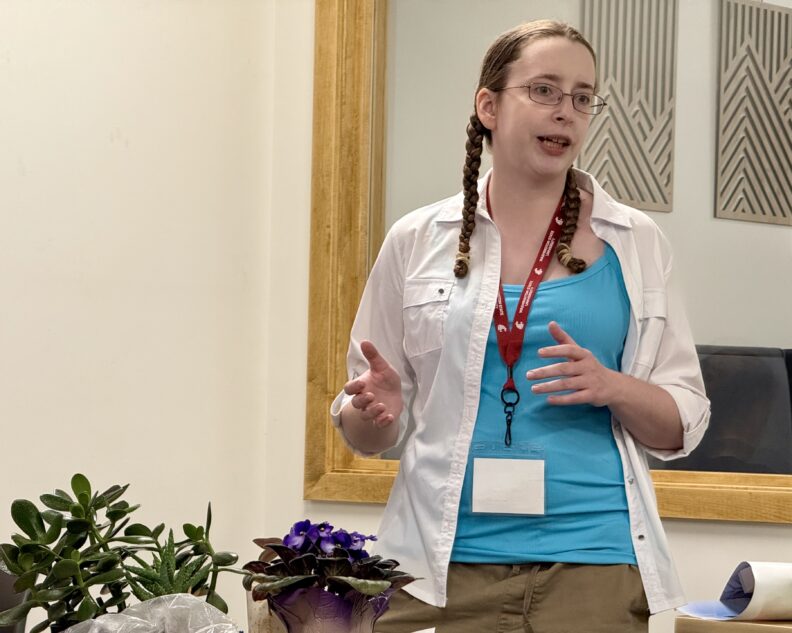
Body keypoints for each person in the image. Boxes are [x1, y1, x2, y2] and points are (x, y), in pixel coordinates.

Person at [330, 19, 710, 633]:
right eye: (544, 90)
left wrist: (612, 386)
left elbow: (683, 422)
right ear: (489, 106)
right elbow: (366, 434)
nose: (565, 112)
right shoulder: (417, 239)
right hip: (438, 567)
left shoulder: (636, 242)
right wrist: (376, 413)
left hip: (592, 561)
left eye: (582, 98)